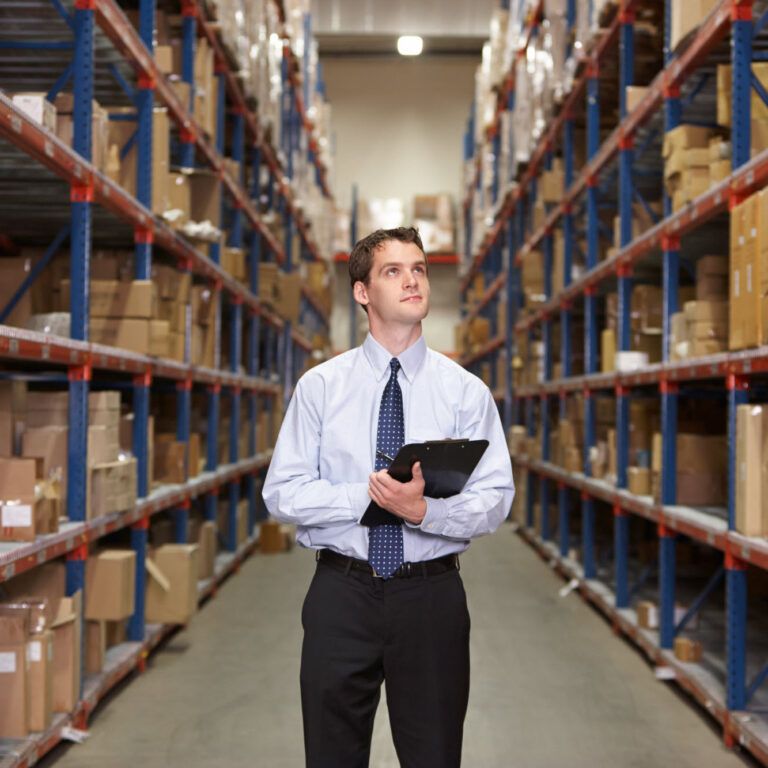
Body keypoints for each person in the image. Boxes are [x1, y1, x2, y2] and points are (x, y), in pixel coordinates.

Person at [262, 226, 515, 768]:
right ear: (362, 292)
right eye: (393, 271)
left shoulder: (464, 391)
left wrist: (425, 511)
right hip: (341, 594)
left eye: (419, 269)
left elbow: (496, 496)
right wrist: (370, 497)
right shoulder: (321, 388)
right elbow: (282, 492)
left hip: (431, 598)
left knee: (434, 755)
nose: (412, 281)